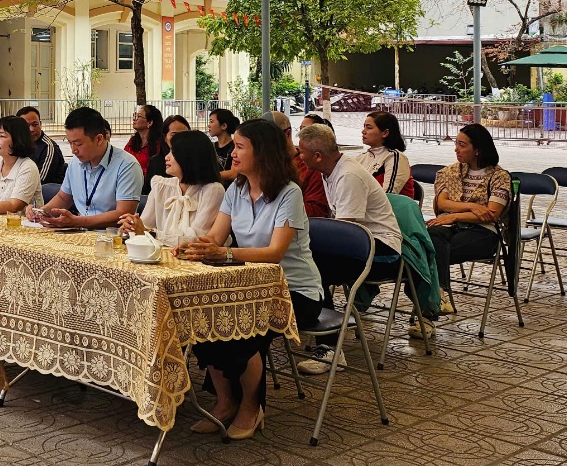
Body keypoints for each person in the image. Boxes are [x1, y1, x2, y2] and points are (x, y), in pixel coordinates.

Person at [177, 118, 323, 440]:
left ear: (264, 153)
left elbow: (274, 252)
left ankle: (251, 407)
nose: (232, 155)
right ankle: (226, 401)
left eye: (240, 147)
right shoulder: (236, 189)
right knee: (202, 318)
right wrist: (195, 246)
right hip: (250, 286)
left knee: (242, 332)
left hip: (293, 292)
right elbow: (216, 236)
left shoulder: (289, 193)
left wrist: (226, 255)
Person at [295, 122, 404, 375]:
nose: (299, 157)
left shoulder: (348, 176)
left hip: (382, 249)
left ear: (318, 156)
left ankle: (331, 347)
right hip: (359, 243)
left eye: (302, 152)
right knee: (306, 262)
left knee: (312, 267)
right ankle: (318, 327)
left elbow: (344, 233)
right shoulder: (328, 171)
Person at [421, 124, 512, 339]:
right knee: (430, 241)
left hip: (483, 233)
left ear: (477, 149)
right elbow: (442, 203)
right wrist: (472, 207)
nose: (456, 149)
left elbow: (492, 214)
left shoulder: (500, 177)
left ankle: (427, 313)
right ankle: (439, 298)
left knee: (429, 253)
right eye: (456, 144)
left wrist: (454, 215)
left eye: (462, 145)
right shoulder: (449, 173)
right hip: (449, 227)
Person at [29, 107, 141, 230]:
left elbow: (122, 214)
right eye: (70, 143)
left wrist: (77, 221)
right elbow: (64, 198)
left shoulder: (127, 165)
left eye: (78, 144)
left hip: (111, 237)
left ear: (99, 139)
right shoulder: (75, 163)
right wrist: (41, 212)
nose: (73, 150)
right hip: (78, 232)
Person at [118, 130, 224, 249]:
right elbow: (145, 225)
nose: (167, 157)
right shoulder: (161, 185)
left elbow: (196, 238)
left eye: (173, 152)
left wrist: (151, 233)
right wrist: (132, 226)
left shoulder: (212, 190)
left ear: (189, 157)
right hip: (158, 255)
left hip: (192, 259)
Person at [355, 111, 414, 198]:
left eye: (369, 128)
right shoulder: (360, 158)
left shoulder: (395, 157)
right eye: (364, 127)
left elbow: (388, 195)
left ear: (385, 133)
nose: (363, 131)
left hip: (391, 209)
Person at [283, 112, 330, 219]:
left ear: (288, 134)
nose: (301, 134)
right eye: (301, 129)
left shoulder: (313, 166)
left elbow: (317, 211)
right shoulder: (265, 164)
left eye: (307, 130)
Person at [17, 105, 66, 186]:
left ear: (40, 124)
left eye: (35, 124)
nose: (31, 129)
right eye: (26, 126)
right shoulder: (17, 144)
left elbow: (39, 181)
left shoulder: (48, 148)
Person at [125, 105, 167, 193]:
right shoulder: (132, 141)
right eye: (135, 115)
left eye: (138, 116)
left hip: (150, 188)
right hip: (129, 185)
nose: (134, 119)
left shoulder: (160, 144)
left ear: (150, 123)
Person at [209, 108, 239, 184]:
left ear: (224, 126)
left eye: (211, 121)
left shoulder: (235, 147)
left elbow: (233, 173)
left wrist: (208, 176)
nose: (208, 125)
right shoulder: (210, 146)